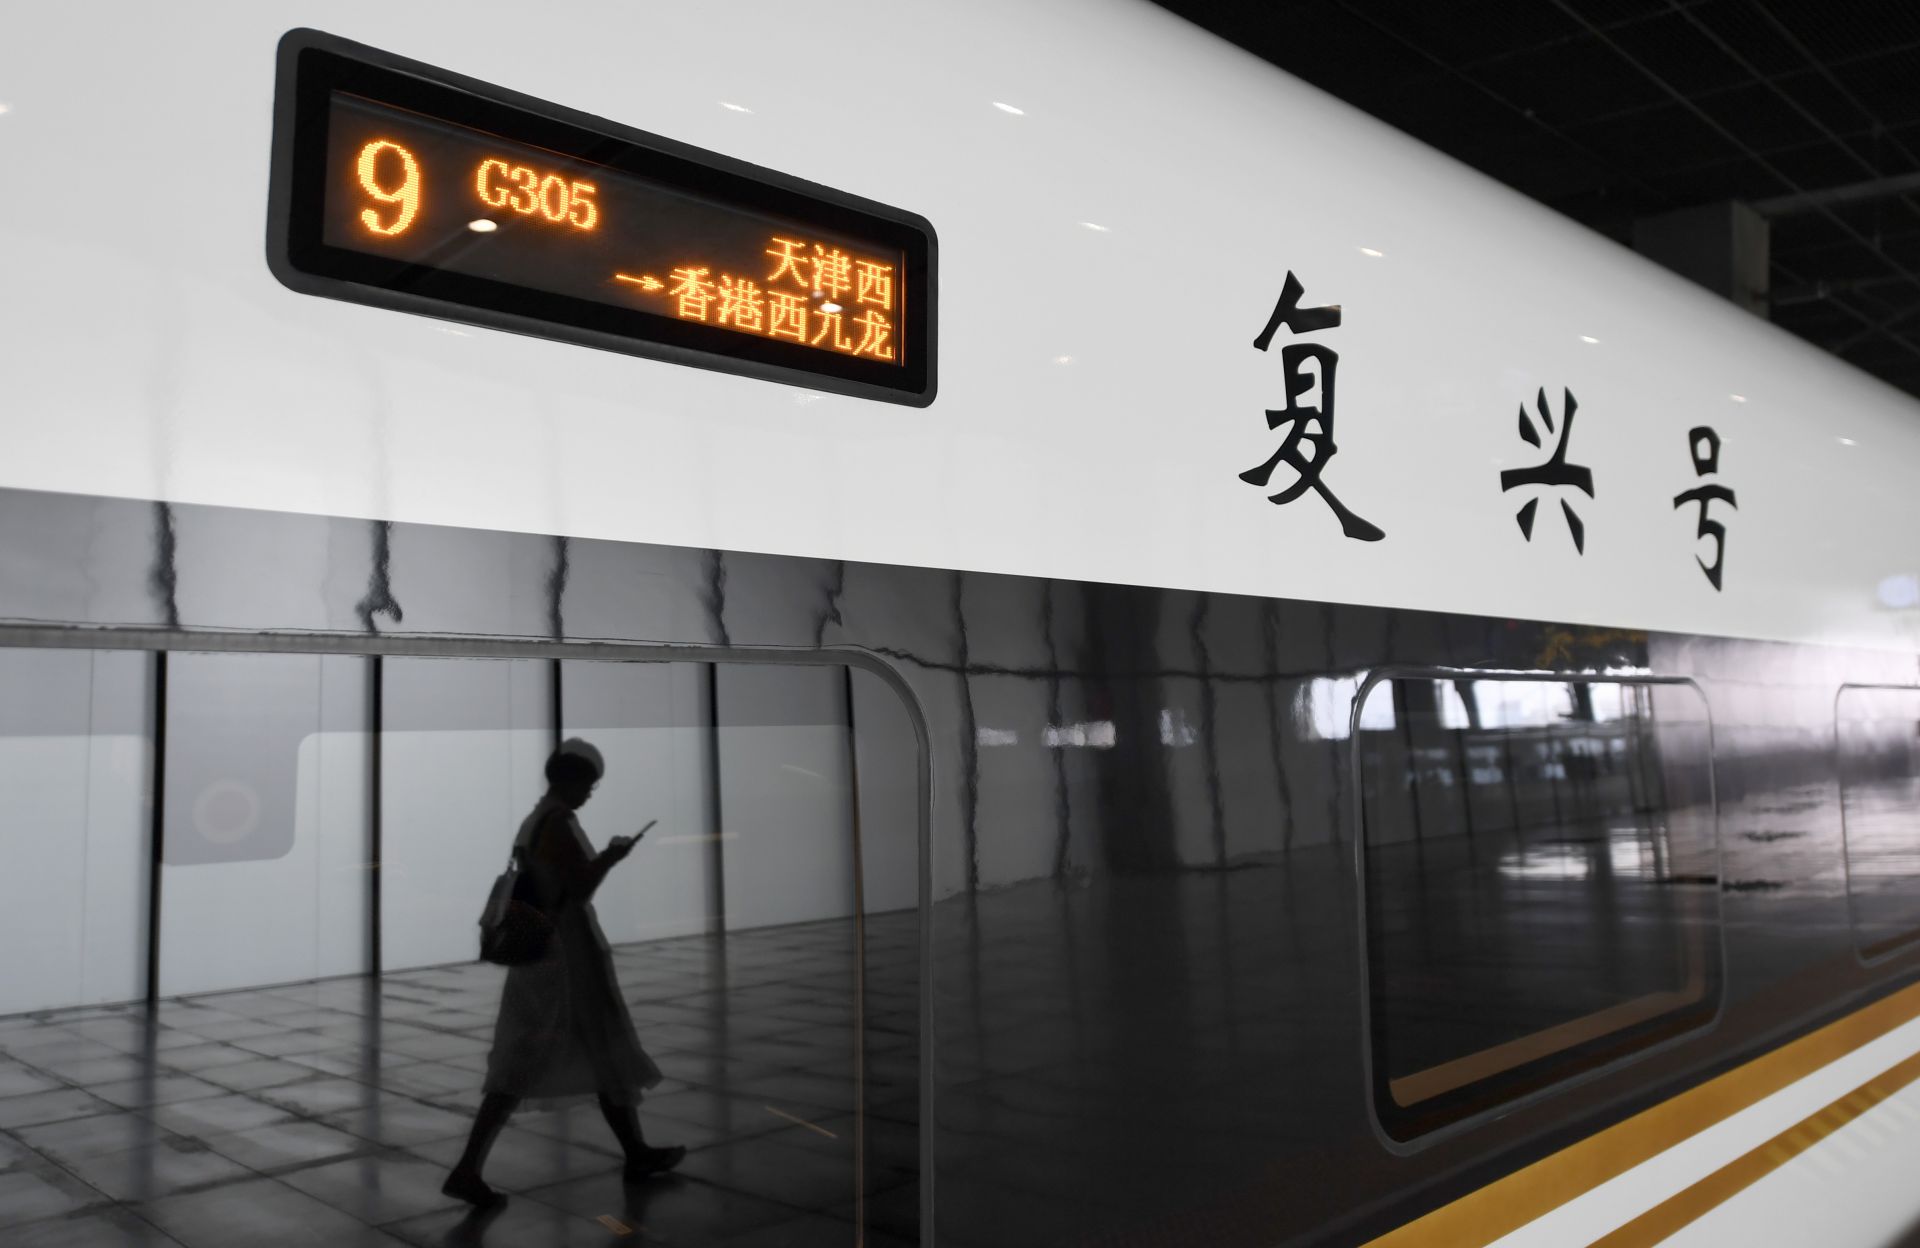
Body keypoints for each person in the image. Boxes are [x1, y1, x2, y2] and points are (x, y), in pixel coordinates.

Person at [444, 738, 684, 1207]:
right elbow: (579, 888)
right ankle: (468, 1169)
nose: (589, 794)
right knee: (568, 1049)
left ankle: (634, 1151)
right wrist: (613, 856)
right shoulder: (558, 822)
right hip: (564, 955)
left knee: (564, 1052)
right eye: (588, 786)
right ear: (569, 782)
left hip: (539, 951)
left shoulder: (534, 821)